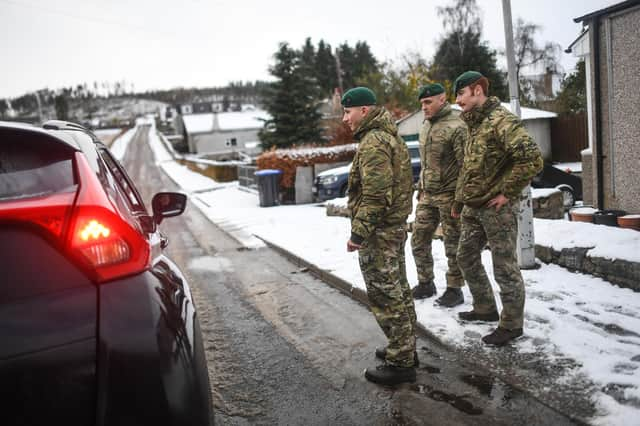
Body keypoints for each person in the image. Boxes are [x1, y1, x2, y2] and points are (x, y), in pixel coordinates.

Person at [452, 71, 543, 346]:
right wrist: (459, 199)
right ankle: (485, 307)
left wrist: (508, 192)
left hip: (495, 209)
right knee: (465, 256)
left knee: (504, 268)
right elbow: (469, 167)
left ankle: (511, 325)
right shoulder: (474, 124)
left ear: (477, 90)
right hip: (473, 207)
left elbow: (532, 159)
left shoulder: (501, 121)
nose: (457, 101)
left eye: (461, 94)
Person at [342, 86, 417, 385]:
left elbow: (375, 196)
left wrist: (358, 234)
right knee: (398, 289)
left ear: (364, 110)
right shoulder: (388, 136)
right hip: (392, 227)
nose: (345, 119)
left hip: (379, 232)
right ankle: (405, 349)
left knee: (386, 295)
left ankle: (401, 362)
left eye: (348, 112)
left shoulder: (374, 142)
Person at [410, 83, 468, 307]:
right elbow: (426, 163)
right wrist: (420, 187)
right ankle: (426, 283)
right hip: (427, 194)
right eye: (422, 103)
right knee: (418, 238)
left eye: (428, 102)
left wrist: (460, 198)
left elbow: (466, 166)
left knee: (452, 243)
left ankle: (455, 288)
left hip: (450, 196)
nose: (424, 107)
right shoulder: (426, 125)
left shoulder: (457, 124)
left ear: (442, 100)